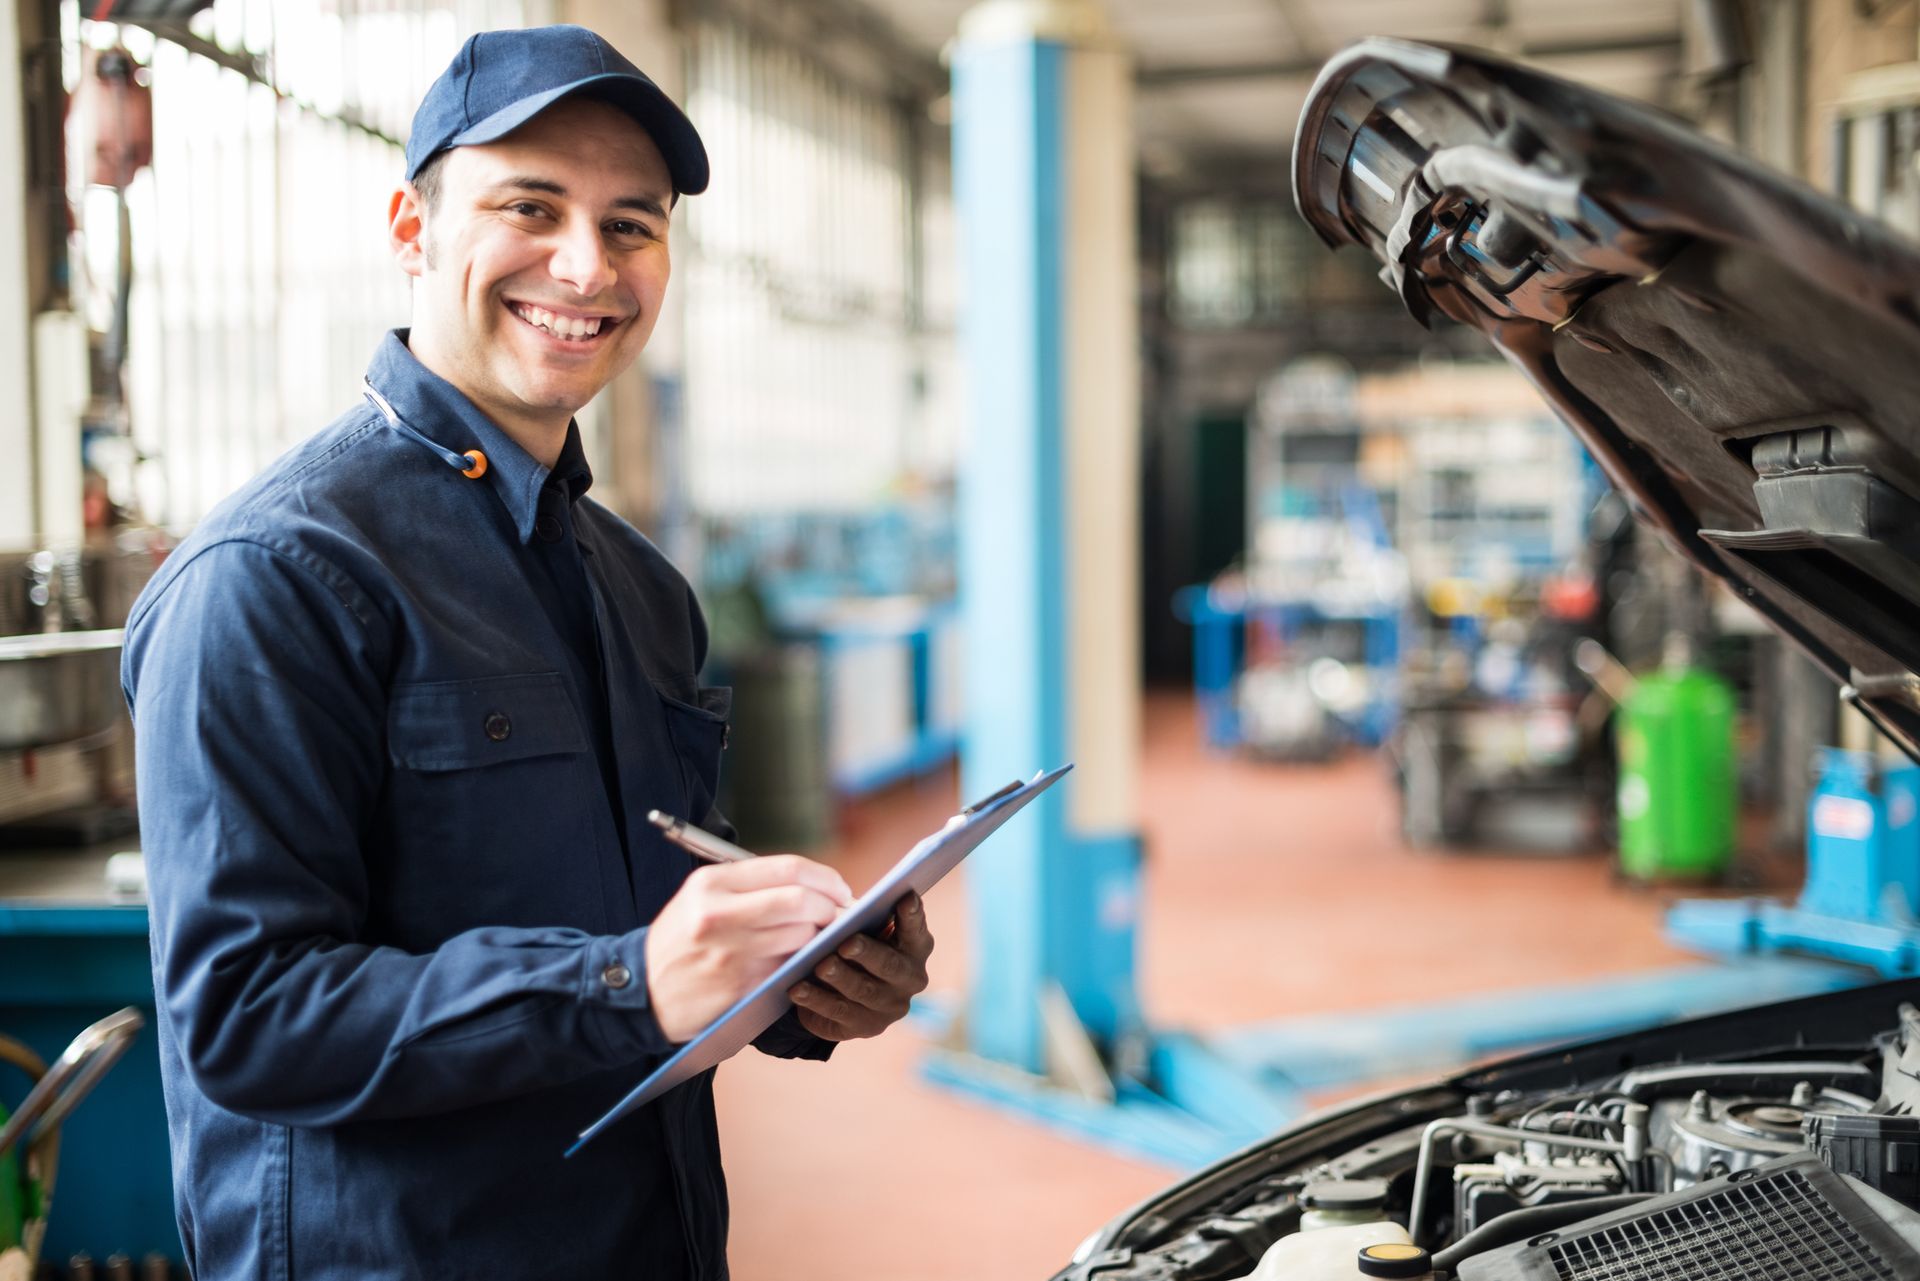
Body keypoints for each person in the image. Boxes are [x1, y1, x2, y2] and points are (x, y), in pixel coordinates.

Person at [121, 25, 933, 1280]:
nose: (584, 266)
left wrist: (803, 984)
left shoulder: (640, 589)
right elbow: (248, 1018)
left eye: (630, 225)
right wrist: (624, 983)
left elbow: (649, 925)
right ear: (411, 229)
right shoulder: (276, 578)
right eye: (529, 206)